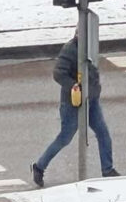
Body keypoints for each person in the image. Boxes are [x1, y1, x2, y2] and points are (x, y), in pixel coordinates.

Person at [31, 34, 120, 187]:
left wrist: (94, 89)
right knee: (65, 137)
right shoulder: (70, 49)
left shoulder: (89, 47)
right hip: (73, 101)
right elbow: (58, 73)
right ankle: (39, 166)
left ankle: (108, 169)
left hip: (90, 99)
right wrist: (73, 85)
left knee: (103, 133)